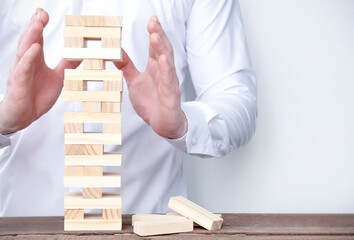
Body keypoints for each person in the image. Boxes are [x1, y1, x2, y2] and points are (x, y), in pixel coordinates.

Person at [0, 0, 257, 216]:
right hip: (20, 222)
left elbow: (235, 98)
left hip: (146, 222)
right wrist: (4, 120)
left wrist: (182, 124)